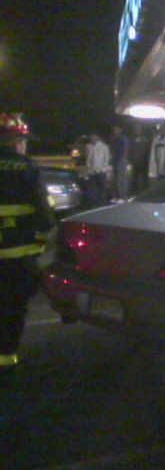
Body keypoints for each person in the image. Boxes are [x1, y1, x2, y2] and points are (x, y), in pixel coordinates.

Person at [0, 113, 55, 376]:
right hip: (16, 257)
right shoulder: (27, 168)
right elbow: (44, 216)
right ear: (16, 142)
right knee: (12, 307)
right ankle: (6, 358)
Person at [86, 133, 111, 206]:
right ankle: (94, 203)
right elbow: (88, 159)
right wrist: (90, 168)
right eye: (91, 137)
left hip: (101, 171)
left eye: (94, 137)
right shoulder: (89, 146)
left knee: (102, 188)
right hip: (92, 171)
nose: (92, 138)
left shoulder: (103, 146)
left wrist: (103, 169)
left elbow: (106, 159)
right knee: (93, 188)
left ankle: (102, 203)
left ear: (97, 137)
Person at [110, 125, 129, 202]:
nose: (115, 131)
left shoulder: (123, 138)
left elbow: (126, 149)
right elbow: (111, 149)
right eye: (114, 129)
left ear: (120, 130)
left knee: (121, 179)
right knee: (115, 179)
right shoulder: (113, 138)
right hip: (115, 160)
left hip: (121, 160)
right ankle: (116, 196)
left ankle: (123, 197)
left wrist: (124, 158)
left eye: (117, 129)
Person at [129, 125, 150, 194]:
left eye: (138, 130)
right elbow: (130, 150)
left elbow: (147, 150)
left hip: (143, 161)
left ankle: (145, 190)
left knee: (144, 178)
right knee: (135, 177)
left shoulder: (145, 140)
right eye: (136, 130)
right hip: (135, 162)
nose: (137, 131)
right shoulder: (132, 140)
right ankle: (134, 191)